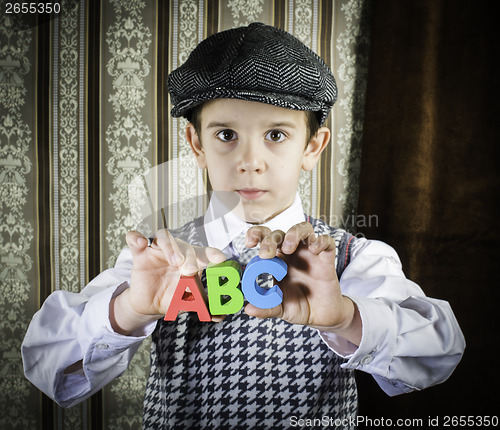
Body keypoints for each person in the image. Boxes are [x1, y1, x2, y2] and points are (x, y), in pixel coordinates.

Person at [22, 23, 465, 429]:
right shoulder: (159, 262)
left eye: (276, 135)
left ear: (312, 146)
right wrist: (129, 310)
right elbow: (51, 368)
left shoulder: (353, 259)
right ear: (196, 143)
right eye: (226, 135)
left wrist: (344, 317)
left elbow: (440, 352)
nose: (250, 163)